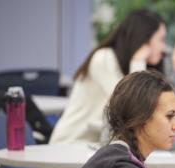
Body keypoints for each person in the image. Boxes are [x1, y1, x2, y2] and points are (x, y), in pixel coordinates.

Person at [50, 9, 167, 144]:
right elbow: (131, 107)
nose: (163, 48)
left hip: (97, 145)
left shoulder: (131, 65)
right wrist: (138, 60)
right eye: (161, 39)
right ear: (144, 39)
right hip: (71, 144)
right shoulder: (103, 58)